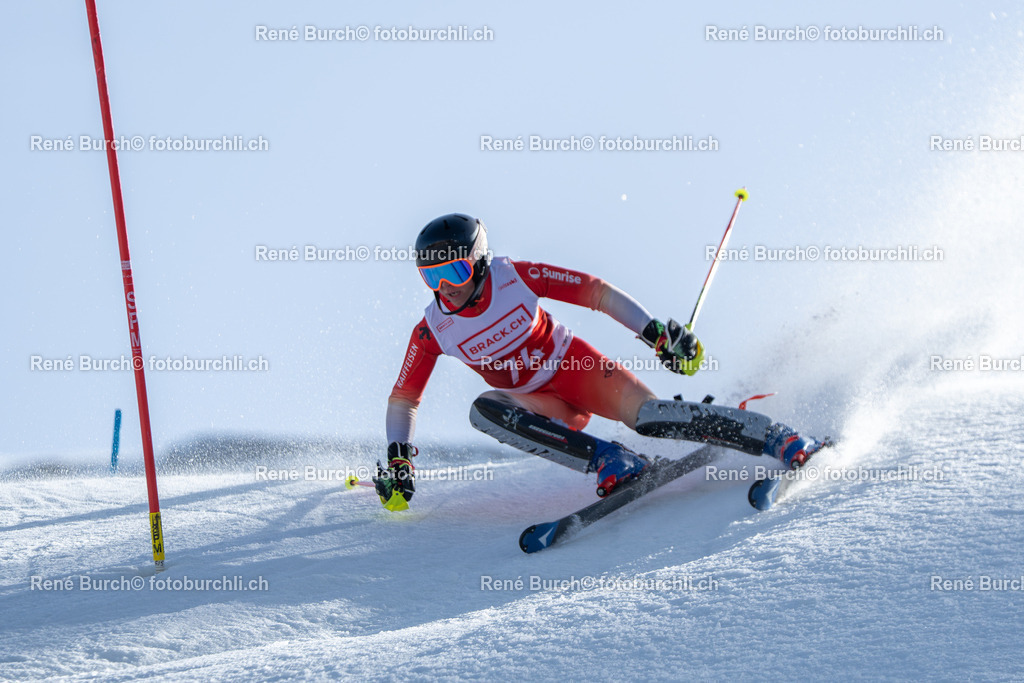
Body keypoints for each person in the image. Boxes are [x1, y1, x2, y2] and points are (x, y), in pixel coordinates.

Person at [373, 213, 824, 511]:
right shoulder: (434, 329)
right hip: (539, 404)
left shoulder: (515, 277)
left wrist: (656, 335)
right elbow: (404, 399)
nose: (445, 288)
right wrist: (399, 461)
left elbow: (596, 292)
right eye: (431, 276)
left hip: (577, 371)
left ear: (481, 263)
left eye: (455, 271)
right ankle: (614, 460)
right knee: (484, 410)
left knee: (650, 418)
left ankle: (776, 436)